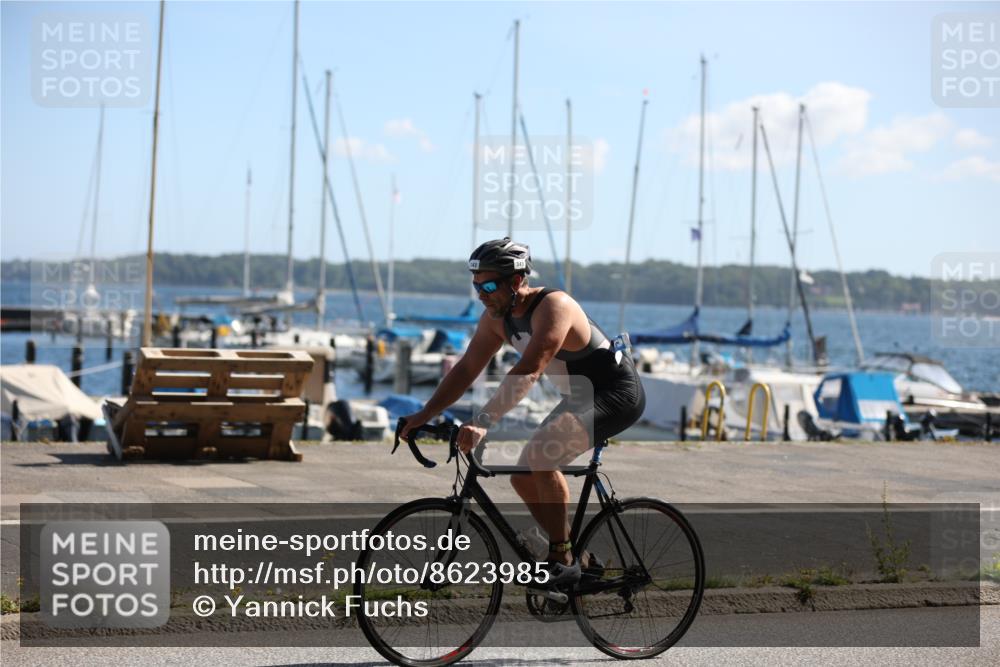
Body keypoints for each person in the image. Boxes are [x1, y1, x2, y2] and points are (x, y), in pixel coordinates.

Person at [401, 238, 646, 585]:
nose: (481, 295)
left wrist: (483, 421)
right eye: (476, 286)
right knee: (522, 476)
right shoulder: (496, 319)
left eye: (488, 286)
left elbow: (529, 370)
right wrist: (425, 414)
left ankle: (561, 556)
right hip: (580, 396)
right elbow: (466, 369)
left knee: (542, 455)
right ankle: (580, 560)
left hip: (616, 391)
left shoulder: (554, 307)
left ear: (516, 281)